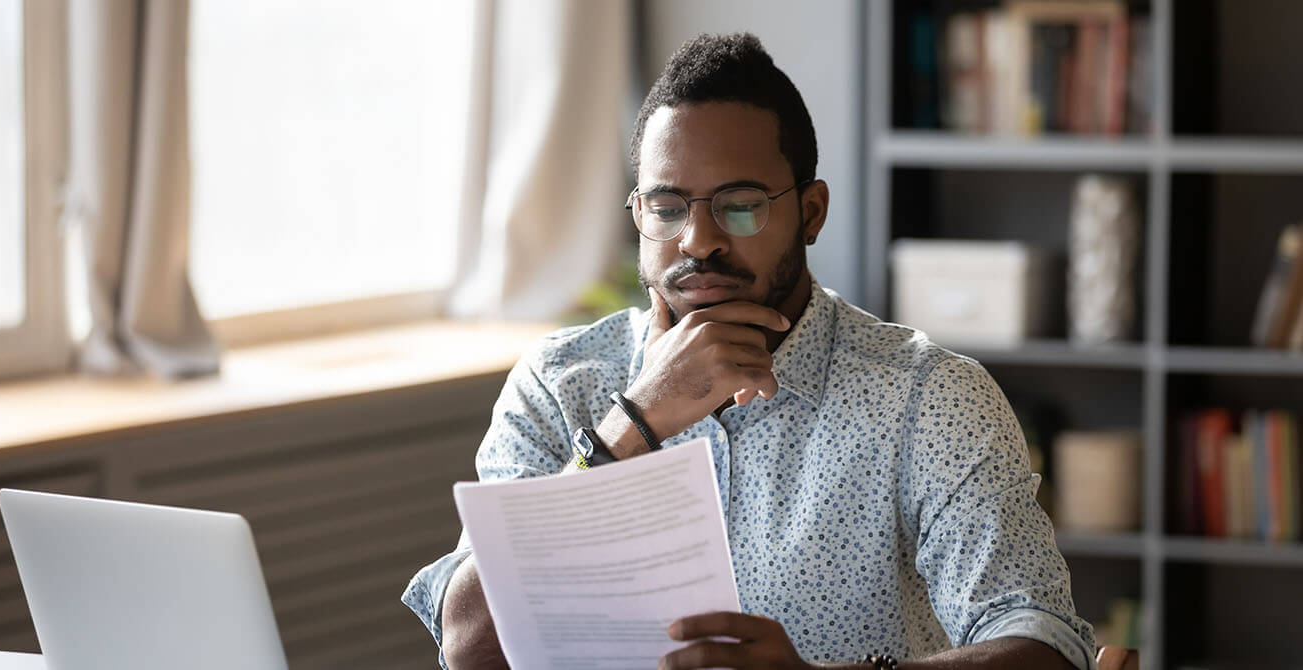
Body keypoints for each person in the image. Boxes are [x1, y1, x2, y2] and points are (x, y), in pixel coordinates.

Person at [403, 32, 1096, 670]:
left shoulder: (927, 397)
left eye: (739, 204)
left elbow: (1044, 645)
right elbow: (470, 647)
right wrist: (632, 426)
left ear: (811, 212)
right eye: (668, 206)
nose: (698, 240)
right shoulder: (559, 385)